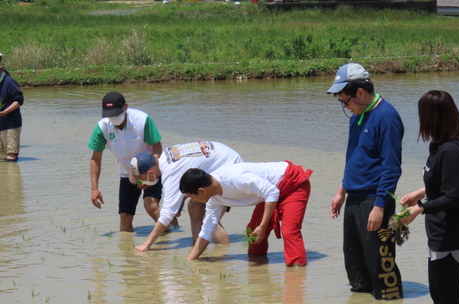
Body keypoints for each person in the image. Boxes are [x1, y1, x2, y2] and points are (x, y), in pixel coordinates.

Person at [399, 90, 459, 304]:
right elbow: (444, 184)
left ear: (435, 117)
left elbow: (454, 196)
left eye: (422, 114)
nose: (419, 119)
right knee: (438, 297)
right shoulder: (438, 145)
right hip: (440, 231)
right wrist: (420, 193)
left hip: (454, 231)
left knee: (450, 300)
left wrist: (420, 208)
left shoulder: (450, 150)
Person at [327, 63, 404, 300]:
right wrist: (342, 191)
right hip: (354, 199)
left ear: (360, 93)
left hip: (374, 201)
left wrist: (379, 206)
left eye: (346, 101)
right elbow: (353, 156)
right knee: (355, 265)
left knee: (382, 268)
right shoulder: (357, 117)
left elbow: (392, 168)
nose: (345, 106)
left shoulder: (387, 118)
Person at [179, 161, 312, 267]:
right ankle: (259, 265)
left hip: (292, 183)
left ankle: (297, 272)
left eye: (192, 197)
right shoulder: (213, 198)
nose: (193, 201)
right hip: (269, 192)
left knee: (289, 231)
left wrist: (263, 225)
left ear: (202, 191)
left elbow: (272, 192)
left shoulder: (235, 179)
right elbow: (208, 229)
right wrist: (190, 261)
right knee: (252, 231)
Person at [130, 141, 243, 252]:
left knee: (209, 219)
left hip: (231, 169)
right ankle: (197, 248)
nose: (140, 183)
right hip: (223, 157)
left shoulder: (170, 172)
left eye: (141, 178)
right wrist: (181, 201)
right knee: (194, 208)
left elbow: (167, 214)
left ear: (150, 172)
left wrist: (147, 244)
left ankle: (223, 257)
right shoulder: (165, 155)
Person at [88, 91, 163, 232]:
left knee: (151, 207)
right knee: (125, 217)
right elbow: (96, 158)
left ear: (126, 107)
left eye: (116, 113)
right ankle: (126, 251)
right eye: (110, 115)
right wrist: (95, 188)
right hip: (127, 173)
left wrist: (150, 176)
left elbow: (157, 148)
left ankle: (166, 233)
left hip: (150, 170)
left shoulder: (142, 120)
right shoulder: (102, 127)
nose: (113, 118)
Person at [0, 53, 24, 162]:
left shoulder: (9, 82)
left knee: (11, 155)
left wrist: (4, 112)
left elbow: (19, 100)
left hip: (10, 123)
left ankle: (12, 177)